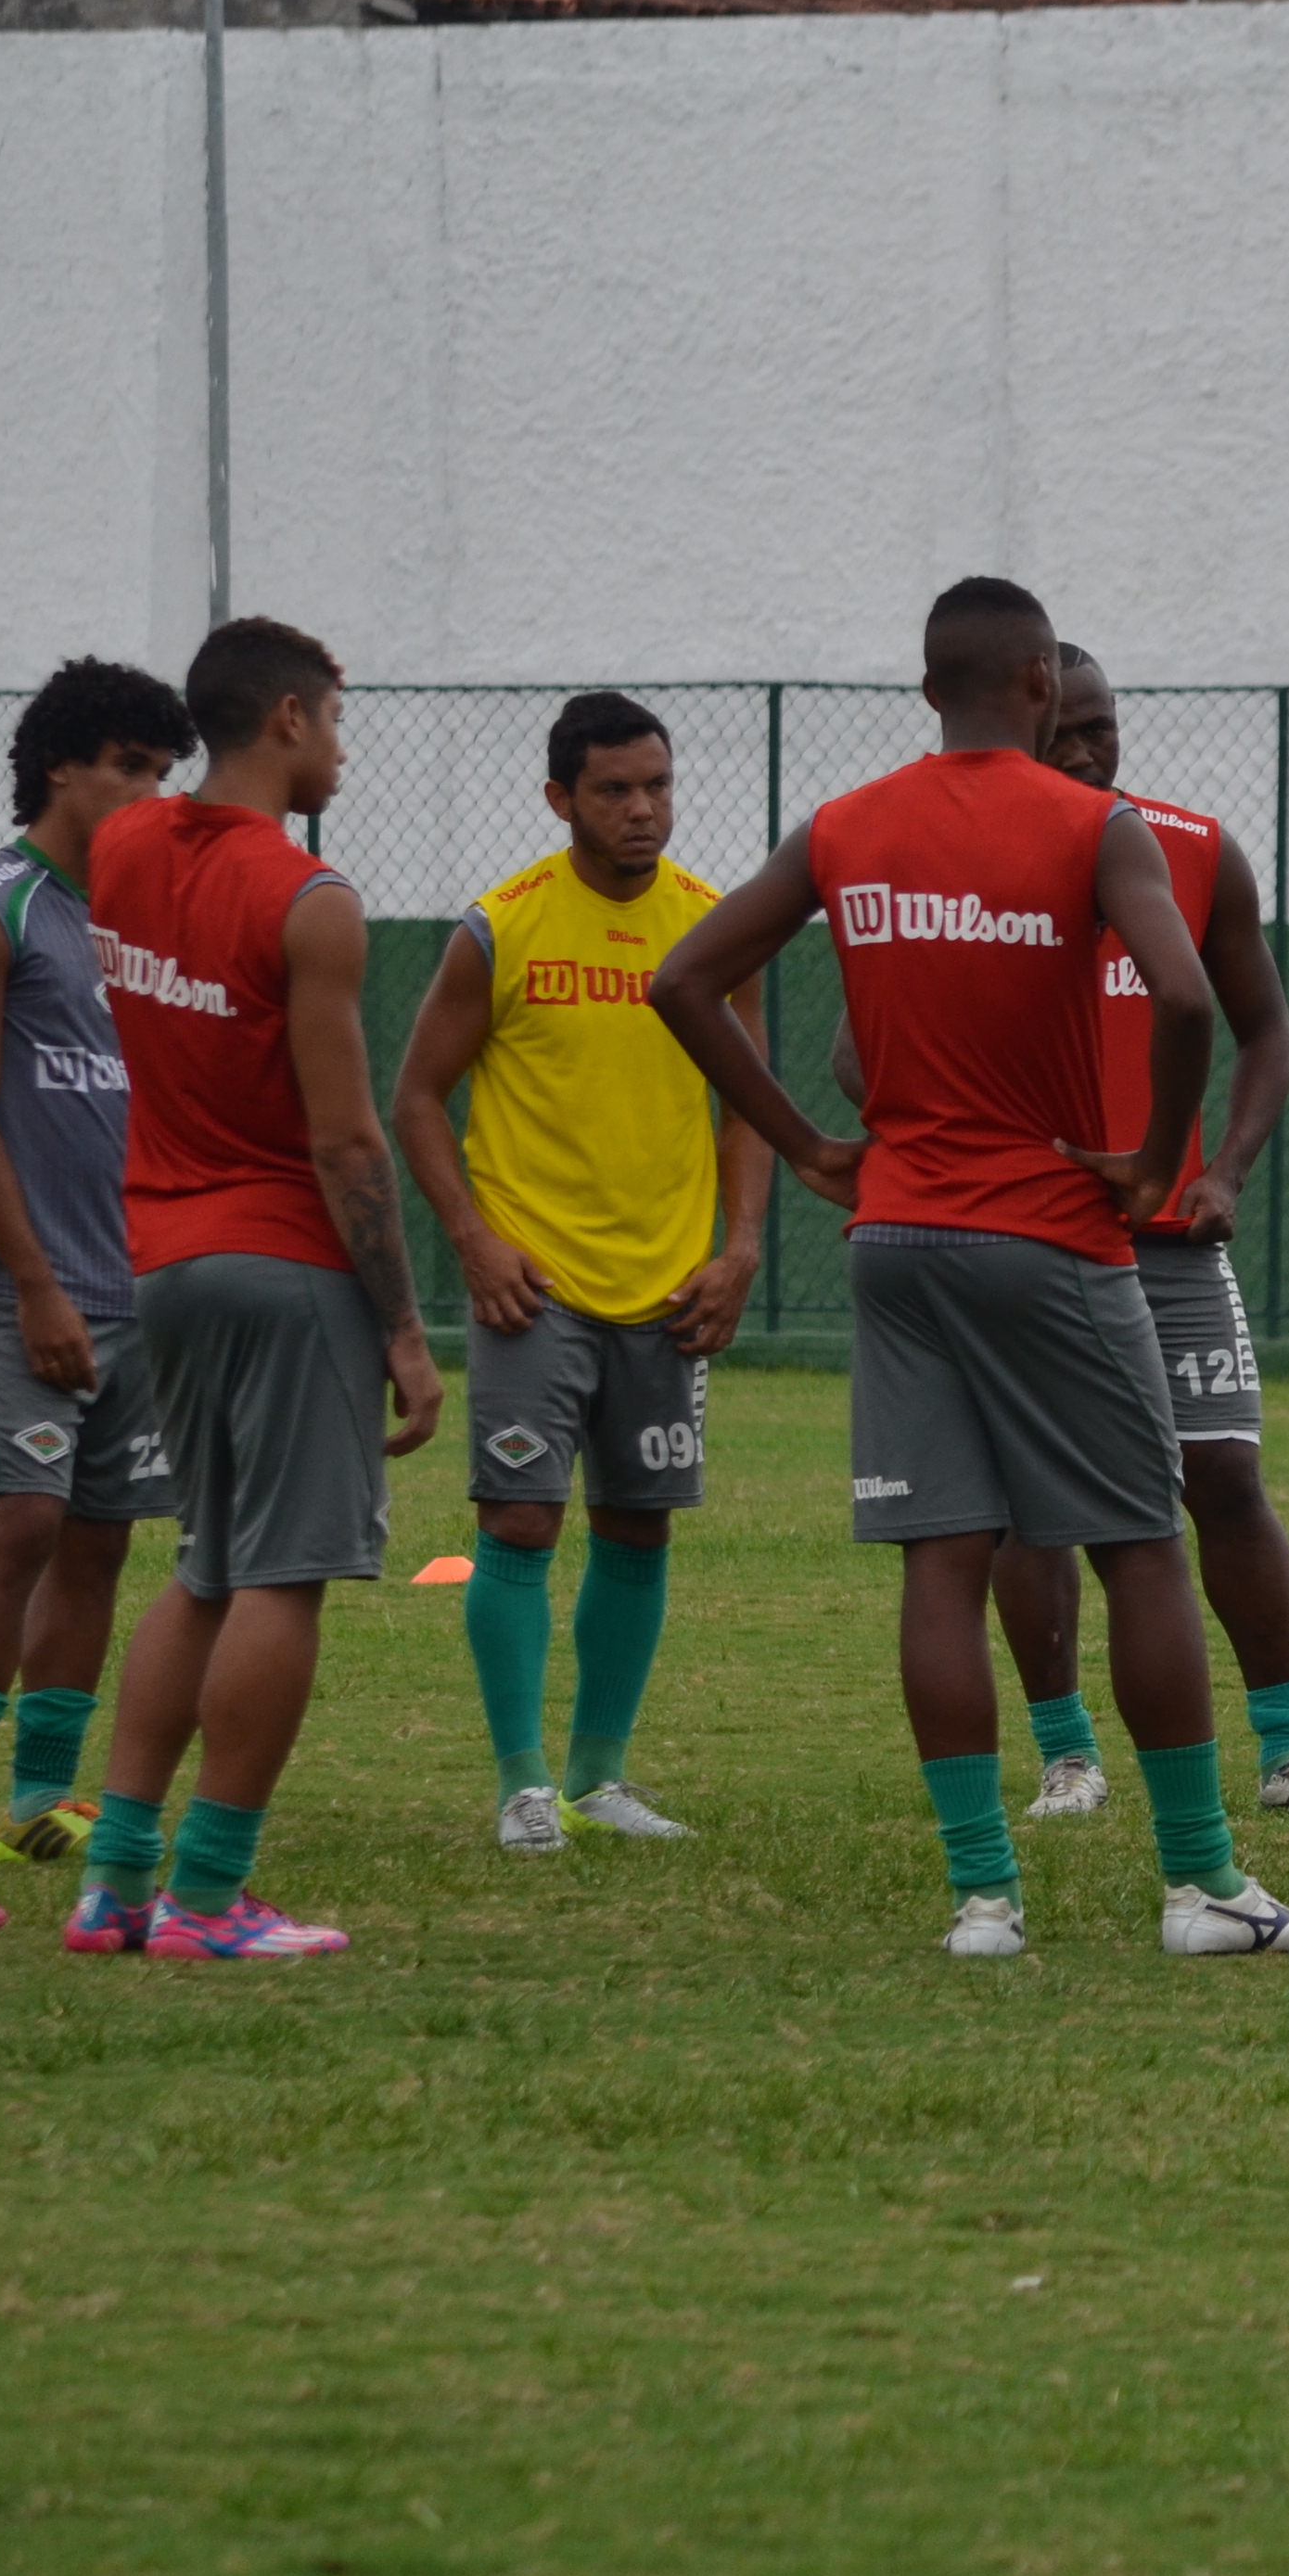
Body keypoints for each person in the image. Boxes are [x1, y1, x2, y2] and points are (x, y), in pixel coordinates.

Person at [650, 576, 1289, 1964]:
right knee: (1144, 1543)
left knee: (940, 1561)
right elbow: (1192, 998)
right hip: (1049, 1233)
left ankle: (984, 1900)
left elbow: (682, 981)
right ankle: (1202, 1887)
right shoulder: (1096, 825)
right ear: (1037, 684)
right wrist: (1147, 1161)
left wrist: (810, 1148)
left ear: (927, 692)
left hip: (894, 1239)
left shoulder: (847, 826)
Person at [64, 617, 440, 1963]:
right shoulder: (308, 898)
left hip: (162, 1260)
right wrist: (402, 1325)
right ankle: (208, 1898)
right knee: (287, 1576)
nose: (340, 746)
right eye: (333, 719)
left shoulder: (119, 849)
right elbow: (346, 1139)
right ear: (287, 719)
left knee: (207, 1568)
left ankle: (113, 1884)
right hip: (286, 1265)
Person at [983, 644, 1289, 1830]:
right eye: (1066, 735)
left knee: (1224, 1474)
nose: (1090, 752)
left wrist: (1228, 1171)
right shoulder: (973, 862)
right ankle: (1066, 1755)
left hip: (1169, 1241)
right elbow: (862, 1052)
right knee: (1033, 1501)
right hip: (1026, 1243)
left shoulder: (1193, 852)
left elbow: (1264, 1032)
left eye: (1103, 728)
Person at [395, 690, 770, 1856]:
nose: (642, 809)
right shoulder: (499, 928)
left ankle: (599, 1778)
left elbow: (748, 1111)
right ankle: (520, 1784)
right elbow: (413, 1097)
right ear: (560, 799)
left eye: (656, 785)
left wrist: (740, 1247)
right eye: (613, 790)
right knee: (516, 1521)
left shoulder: (715, 928)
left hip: (668, 1288)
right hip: (535, 1283)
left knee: (639, 1527)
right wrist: (473, 1237)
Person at [0, 660, 193, 1864]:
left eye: (162, 771)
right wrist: (32, 1284)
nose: (149, 792)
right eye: (130, 766)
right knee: (20, 1525)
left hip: (146, 1285)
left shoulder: (152, 919)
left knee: (101, 1538)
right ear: (60, 767)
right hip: (26, 1285)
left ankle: (45, 1795)